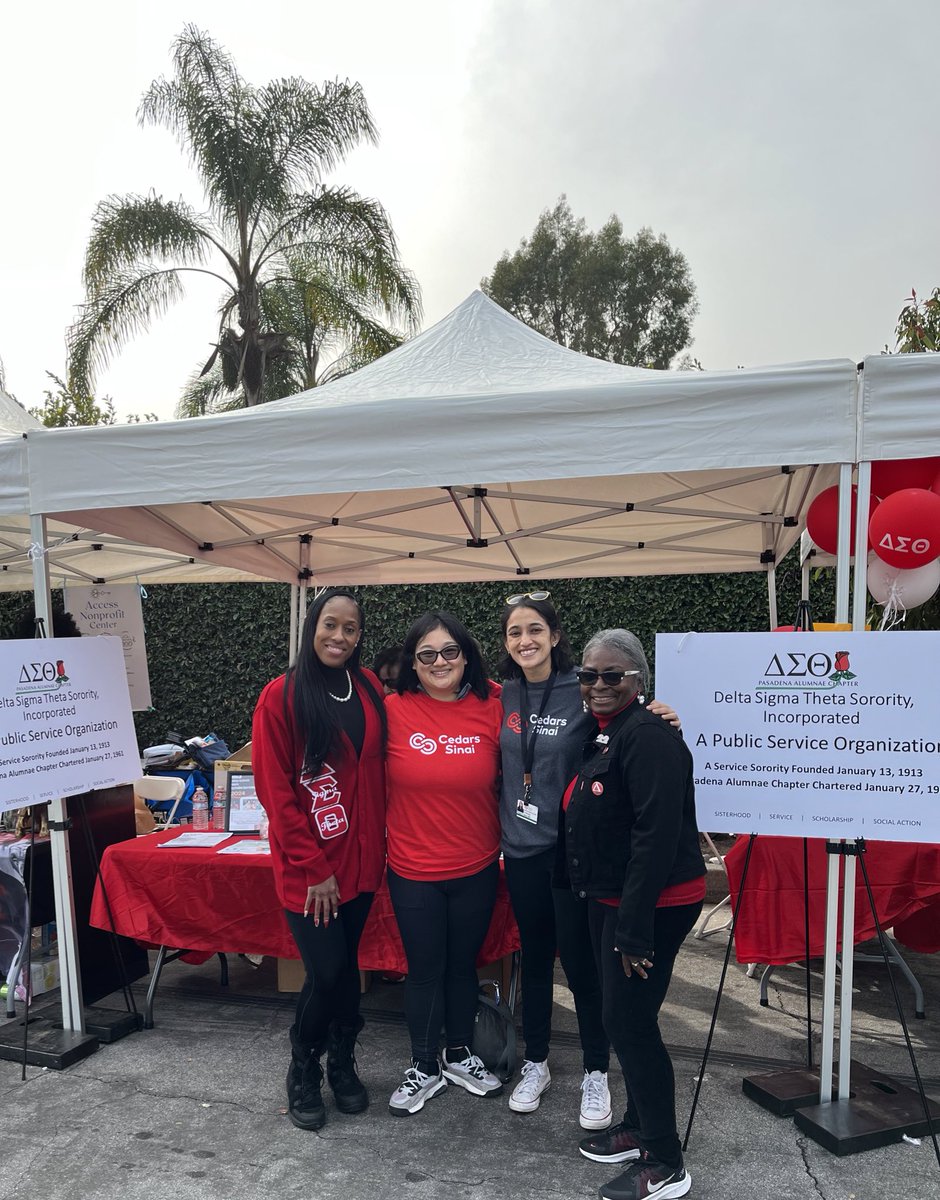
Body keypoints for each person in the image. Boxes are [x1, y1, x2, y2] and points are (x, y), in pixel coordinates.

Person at [497, 592, 679, 1129]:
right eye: (513, 632)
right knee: (533, 958)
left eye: (535, 630)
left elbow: (625, 716)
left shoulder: (581, 688)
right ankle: (536, 1062)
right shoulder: (499, 694)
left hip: (572, 855)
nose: (524, 641)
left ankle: (595, 1070)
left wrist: (661, 710)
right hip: (521, 849)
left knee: (581, 966)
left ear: (555, 636)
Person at [560, 629, 704, 1200]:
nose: (597, 685)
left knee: (631, 1024)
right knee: (622, 1017)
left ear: (638, 681)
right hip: (611, 897)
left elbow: (656, 839)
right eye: (588, 676)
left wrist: (634, 931)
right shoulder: (605, 732)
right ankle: (641, 1127)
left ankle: (666, 1162)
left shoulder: (646, 738)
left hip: (651, 905)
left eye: (611, 676)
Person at [252, 589, 387, 1131]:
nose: (339, 637)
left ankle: (342, 1064)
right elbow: (275, 792)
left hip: (362, 864)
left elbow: (443, 692)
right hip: (313, 873)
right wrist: (315, 868)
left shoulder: (371, 687)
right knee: (327, 973)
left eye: (350, 628)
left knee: (346, 968)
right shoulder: (281, 696)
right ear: (312, 627)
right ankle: (303, 1068)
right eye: (330, 624)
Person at [384, 610, 505, 1116]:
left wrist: (651, 712)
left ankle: (459, 1055)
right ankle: (423, 1065)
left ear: (466, 655)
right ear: (412, 663)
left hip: (476, 864)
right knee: (425, 969)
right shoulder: (389, 709)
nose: (440, 662)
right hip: (412, 868)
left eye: (450, 651)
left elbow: (566, 710)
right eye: (427, 654)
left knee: (462, 966)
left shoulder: (495, 705)